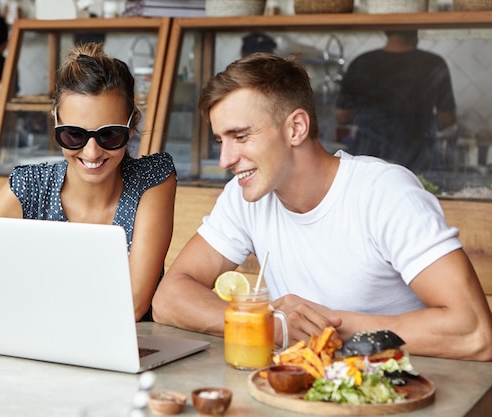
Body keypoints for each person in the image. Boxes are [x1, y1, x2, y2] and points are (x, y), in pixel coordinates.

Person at [151, 52, 492, 361]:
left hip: (401, 391)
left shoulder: (384, 194)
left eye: (240, 137)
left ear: (296, 128)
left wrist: (327, 327)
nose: (225, 159)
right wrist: (266, 323)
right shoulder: (245, 195)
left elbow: (475, 331)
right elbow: (169, 298)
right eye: (220, 140)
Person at [0, 43, 177, 322]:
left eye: (110, 135)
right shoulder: (30, 185)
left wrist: (24, 289)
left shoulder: (152, 179)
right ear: (55, 122)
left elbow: (133, 304)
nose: (91, 152)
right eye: (74, 135)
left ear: (132, 124)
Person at [336, 30, 457, 172]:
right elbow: (447, 119)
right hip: (417, 160)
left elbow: (342, 117)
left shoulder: (362, 62)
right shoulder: (434, 64)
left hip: (370, 160)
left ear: (385, 31)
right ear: (416, 31)